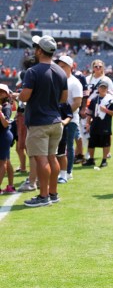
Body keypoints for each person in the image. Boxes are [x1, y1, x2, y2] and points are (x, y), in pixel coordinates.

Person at [18, 35, 67, 207]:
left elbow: (25, 96)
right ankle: (53, 193)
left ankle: (43, 195)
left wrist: (17, 95)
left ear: (39, 50)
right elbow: (63, 98)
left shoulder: (33, 72)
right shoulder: (61, 71)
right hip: (56, 121)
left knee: (41, 160)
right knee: (52, 157)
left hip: (39, 122)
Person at [55, 55, 82, 182]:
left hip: (71, 119)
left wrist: (65, 114)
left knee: (68, 145)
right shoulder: (57, 80)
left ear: (70, 67)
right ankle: (59, 171)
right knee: (57, 147)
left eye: (62, 66)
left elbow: (77, 103)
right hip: (56, 118)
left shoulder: (75, 82)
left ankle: (68, 172)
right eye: (58, 66)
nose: (59, 68)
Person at [84, 83, 113, 168]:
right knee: (91, 142)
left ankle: (104, 160)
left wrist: (106, 110)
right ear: (98, 89)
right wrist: (87, 123)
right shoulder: (94, 99)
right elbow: (89, 113)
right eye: (101, 87)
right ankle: (91, 159)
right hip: (95, 123)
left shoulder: (110, 100)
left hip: (105, 124)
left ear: (107, 89)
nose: (103, 89)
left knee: (105, 143)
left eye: (104, 88)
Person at [0, 84, 16, 194]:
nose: (0, 93)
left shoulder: (6, 107)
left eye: (2, 91)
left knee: (2, 163)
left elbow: (5, 124)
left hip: (4, 136)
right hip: (3, 135)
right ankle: (11, 186)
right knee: (7, 162)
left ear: (7, 94)